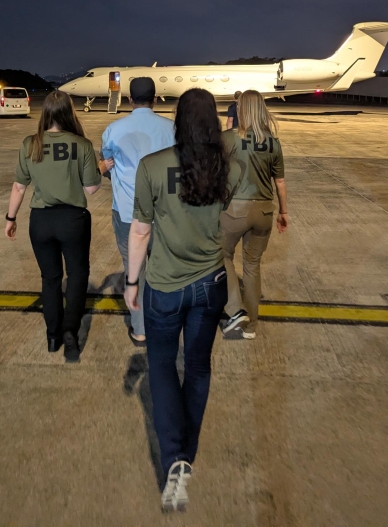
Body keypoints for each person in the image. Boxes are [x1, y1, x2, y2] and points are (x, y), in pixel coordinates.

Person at [126, 88, 241, 512]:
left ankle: (174, 455)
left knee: (161, 366)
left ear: (178, 120)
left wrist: (132, 282)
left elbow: (140, 231)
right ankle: (186, 453)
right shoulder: (227, 167)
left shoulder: (152, 166)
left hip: (165, 285)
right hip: (210, 282)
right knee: (197, 367)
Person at [5, 90, 101, 363]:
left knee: (50, 278)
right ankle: (70, 330)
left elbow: (19, 187)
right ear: (69, 112)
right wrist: (100, 169)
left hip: (41, 222)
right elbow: (91, 188)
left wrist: (10, 218)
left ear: (46, 113)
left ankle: (52, 336)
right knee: (77, 275)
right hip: (73, 220)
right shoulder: (81, 144)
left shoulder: (30, 144)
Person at [99, 76, 174, 347]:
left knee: (135, 270)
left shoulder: (113, 129)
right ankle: (165, 322)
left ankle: (140, 329)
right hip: (164, 212)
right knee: (163, 270)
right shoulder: (171, 128)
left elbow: (106, 164)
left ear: (130, 100)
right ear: (155, 99)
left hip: (127, 213)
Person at [221, 89, 288, 340]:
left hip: (234, 210)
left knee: (221, 256)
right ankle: (251, 326)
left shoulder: (228, 138)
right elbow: (280, 182)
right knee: (252, 266)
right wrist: (284, 212)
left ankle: (235, 310)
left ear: (242, 110)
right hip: (264, 210)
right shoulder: (273, 142)